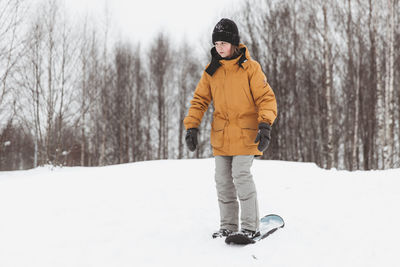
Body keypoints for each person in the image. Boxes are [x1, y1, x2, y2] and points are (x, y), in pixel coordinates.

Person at [183, 18, 277, 239]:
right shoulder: (212, 70)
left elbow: (266, 98)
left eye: (223, 44)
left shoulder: (250, 68)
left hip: (246, 134)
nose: (220, 48)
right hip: (221, 137)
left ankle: (250, 226)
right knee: (223, 182)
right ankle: (228, 225)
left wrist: (265, 126)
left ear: (234, 43)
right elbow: (199, 100)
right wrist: (192, 127)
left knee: (241, 175)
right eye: (216, 44)